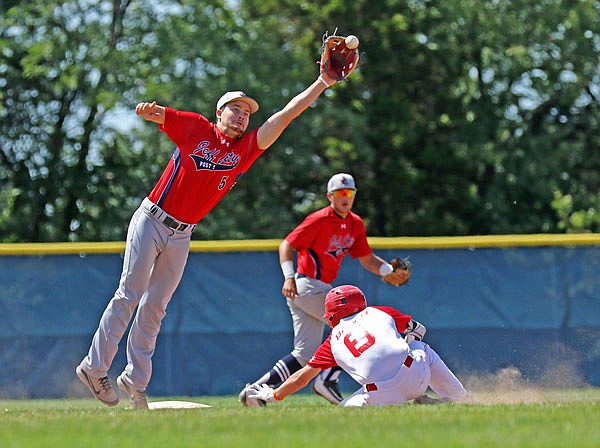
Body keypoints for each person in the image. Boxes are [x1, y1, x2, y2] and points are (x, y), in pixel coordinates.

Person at [76, 67, 346, 409]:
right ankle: (94, 366)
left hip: (182, 235)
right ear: (219, 112)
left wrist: (322, 83)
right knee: (129, 293)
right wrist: (149, 111)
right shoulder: (197, 128)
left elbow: (286, 115)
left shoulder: (245, 150)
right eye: (236, 109)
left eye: (247, 113)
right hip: (152, 219)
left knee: (155, 307)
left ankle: (134, 380)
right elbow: (160, 114)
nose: (242, 116)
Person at [239, 173, 408, 405]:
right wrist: (288, 276)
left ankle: (256, 390)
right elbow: (286, 244)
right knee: (350, 325)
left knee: (304, 354)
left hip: (316, 289)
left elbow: (367, 259)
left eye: (349, 193)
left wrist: (388, 270)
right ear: (330, 196)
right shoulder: (319, 219)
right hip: (306, 285)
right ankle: (327, 380)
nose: (345, 197)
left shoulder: (355, 223)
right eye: (340, 193)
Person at [249, 284, 467, 407]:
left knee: (343, 414)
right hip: (417, 374)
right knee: (422, 348)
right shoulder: (379, 311)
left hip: (381, 395)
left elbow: (301, 378)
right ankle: (458, 398)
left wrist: (274, 394)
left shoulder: (332, 341)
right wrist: (407, 342)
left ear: (332, 314)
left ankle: (426, 400)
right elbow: (419, 330)